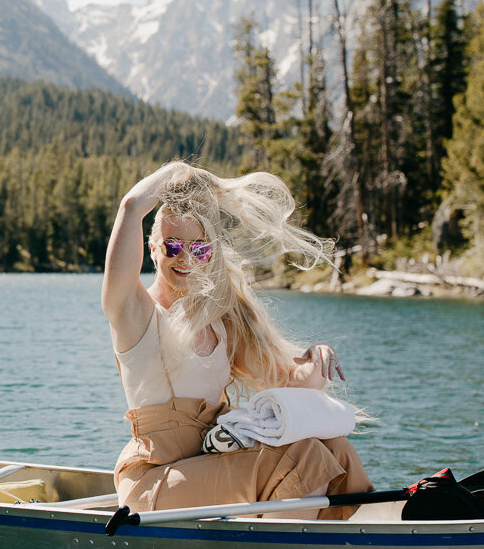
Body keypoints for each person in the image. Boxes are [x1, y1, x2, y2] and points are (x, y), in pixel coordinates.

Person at [101, 161, 371, 518]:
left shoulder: (223, 322)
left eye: (198, 249)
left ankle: (332, 548)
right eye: (172, 246)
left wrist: (317, 363)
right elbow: (131, 207)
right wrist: (182, 171)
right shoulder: (134, 311)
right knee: (300, 459)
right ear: (152, 249)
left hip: (213, 464)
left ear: (211, 254)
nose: (186, 258)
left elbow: (289, 382)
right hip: (155, 482)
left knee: (336, 452)